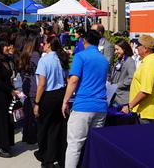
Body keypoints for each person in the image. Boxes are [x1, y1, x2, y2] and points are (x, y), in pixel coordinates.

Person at [62, 28, 109, 168]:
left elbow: (74, 80)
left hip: (83, 106)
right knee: (93, 145)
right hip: (100, 107)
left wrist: (65, 101)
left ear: (84, 40)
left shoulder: (80, 56)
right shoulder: (104, 60)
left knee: (74, 146)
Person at [34, 35, 69, 168]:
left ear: (48, 44)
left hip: (48, 96)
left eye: (44, 43)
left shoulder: (45, 60)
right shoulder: (61, 58)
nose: (43, 45)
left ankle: (45, 156)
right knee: (56, 128)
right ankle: (55, 156)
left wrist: (37, 103)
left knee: (44, 127)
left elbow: (42, 84)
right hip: (60, 94)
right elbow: (66, 78)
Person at [122, 34, 154, 124]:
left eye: (138, 45)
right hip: (146, 112)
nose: (136, 47)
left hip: (145, 113)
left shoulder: (150, 64)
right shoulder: (152, 60)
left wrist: (130, 106)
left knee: (143, 137)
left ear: (145, 48)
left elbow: (145, 91)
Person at [16, 34, 41, 144]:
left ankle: (27, 135)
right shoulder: (35, 56)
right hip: (34, 87)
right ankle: (32, 136)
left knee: (27, 111)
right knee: (33, 114)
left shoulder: (25, 54)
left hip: (27, 85)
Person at [109, 40, 136, 107]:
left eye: (117, 49)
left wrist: (118, 85)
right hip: (115, 97)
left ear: (123, 48)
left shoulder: (130, 61)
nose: (115, 52)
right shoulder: (119, 61)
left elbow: (132, 78)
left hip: (123, 99)